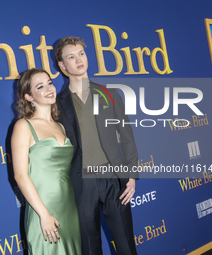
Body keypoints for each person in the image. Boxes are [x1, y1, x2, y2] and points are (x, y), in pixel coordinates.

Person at [55, 36, 139, 255]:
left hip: (113, 178)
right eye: (71, 57)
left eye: (81, 53)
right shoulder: (57, 105)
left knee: (126, 246)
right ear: (63, 67)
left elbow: (127, 135)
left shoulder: (110, 94)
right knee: (90, 249)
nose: (78, 60)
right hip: (81, 184)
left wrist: (131, 176)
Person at [11, 68, 81, 255]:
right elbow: (20, 176)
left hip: (68, 206)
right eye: (40, 86)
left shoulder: (60, 126)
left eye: (49, 83)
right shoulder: (23, 126)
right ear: (29, 96)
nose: (49, 89)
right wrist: (43, 214)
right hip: (43, 207)